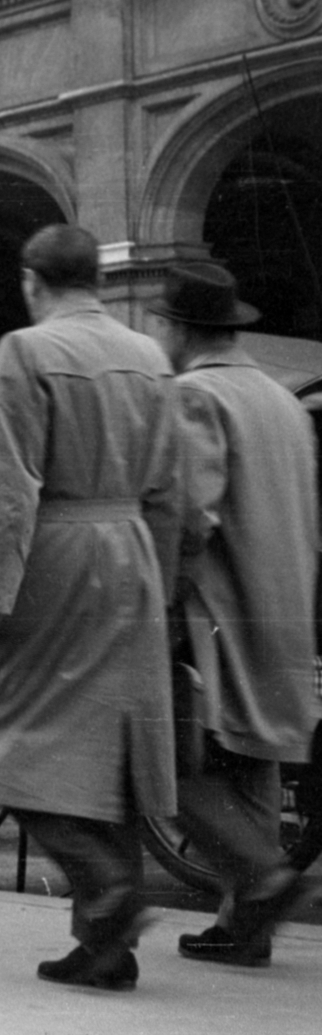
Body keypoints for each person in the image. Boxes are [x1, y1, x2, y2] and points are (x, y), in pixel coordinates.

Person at [0, 224, 182, 991]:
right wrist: (165, 580)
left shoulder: (28, 351)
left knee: (13, 741)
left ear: (32, 280)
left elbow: (9, 485)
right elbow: (172, 489)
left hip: (57, 555)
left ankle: (110, 893)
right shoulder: (150, 355)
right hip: (135, 556)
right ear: (97, 278)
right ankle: (104, 947)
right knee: (108, 754)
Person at [149, 262, 321, 967]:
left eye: (162, 322)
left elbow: (190, 516)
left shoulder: (196, 394)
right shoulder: (281, 400)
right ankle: (241, 923)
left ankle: (260, 879)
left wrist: (159, 599)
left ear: (184, 328)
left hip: (220, 610)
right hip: (284, 603)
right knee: (255, 761)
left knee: (159, 752)